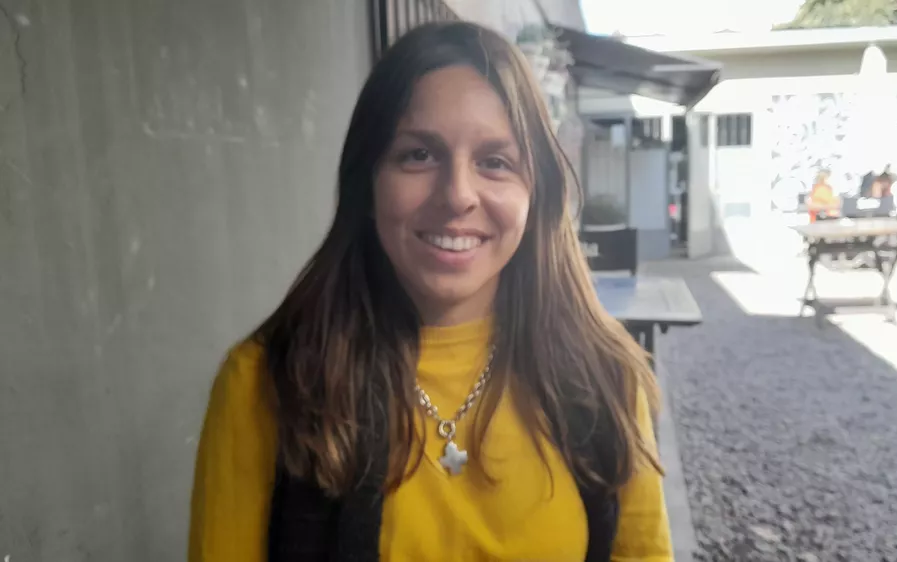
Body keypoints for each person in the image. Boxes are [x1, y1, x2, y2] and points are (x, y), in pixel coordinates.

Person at [188, 21, 671, 562]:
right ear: (366, 185)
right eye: (418, 155)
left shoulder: (607, 378)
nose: (457, 195)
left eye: (495, 162)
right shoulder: (264, 384)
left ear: (536, 194)